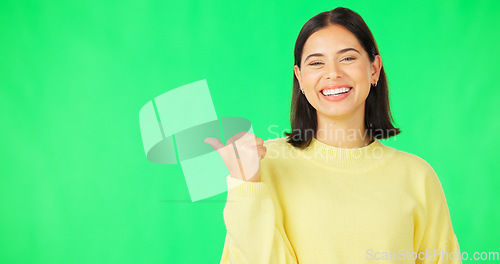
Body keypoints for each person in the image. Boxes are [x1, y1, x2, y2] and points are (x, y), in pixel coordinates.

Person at [205, 7, 462, 264]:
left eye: (348, 58)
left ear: (374, 69)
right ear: (300, 79)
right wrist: (245, 186)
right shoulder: (263, 164)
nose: (333, 73)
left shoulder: (417, 176)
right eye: (316, 63)